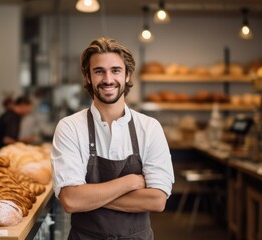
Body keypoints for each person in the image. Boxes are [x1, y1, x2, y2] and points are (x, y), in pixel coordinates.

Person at [51, 37, 175, 239]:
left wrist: (89, 197)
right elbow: (71, 201)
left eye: (116, 70)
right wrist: (131, 182)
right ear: (88, 77)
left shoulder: (149, 128)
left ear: (127, 75)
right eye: (99, 71)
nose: (108, 79)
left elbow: (157, 200)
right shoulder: (70, 127)